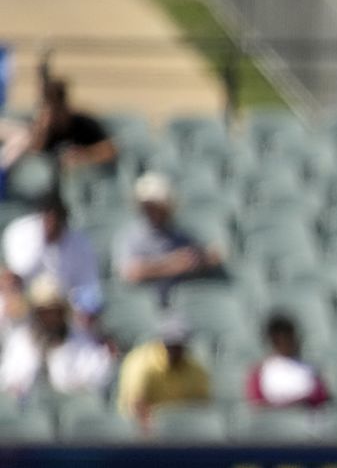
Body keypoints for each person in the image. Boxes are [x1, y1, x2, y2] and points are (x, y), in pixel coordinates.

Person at [112, 172, 227, 306]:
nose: (152, 211)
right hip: (146, 306)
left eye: (157, 206)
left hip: (181, 307)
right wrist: (172, 265)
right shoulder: (130, 237)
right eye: (148, 206)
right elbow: (131, 273)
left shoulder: (179, 235)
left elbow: (207, 256)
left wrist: (201, 259)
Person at [0, 275, 112, 402]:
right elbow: (8, 380)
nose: (50, 318)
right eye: (44, 312)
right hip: (29, 409)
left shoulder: (81, 339)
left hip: (70, 407)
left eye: (55, 311)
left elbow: (97, 375)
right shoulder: (21, 341)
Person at [1, 195, 101, 321]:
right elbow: (12, 277)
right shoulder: (21, 232)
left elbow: (88, 286)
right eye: (48, 217)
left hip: (63, 310)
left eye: (56, 218)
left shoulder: (80, 244)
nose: (52, 222)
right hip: (24, 304)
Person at [116, 316, 211, 432]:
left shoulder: (195, 369)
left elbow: (202, 404)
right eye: (170, 345)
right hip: (143, 432)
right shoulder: (142, 365)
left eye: (179, 345)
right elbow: (138, 406)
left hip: (182, 432)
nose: (174, 350)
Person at [26, 78, 117, 173]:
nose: (54, 115)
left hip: (85, 176)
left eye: (56, 109)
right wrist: (42, 128)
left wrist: (84, 155)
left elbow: (110, 151)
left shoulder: (83, 123)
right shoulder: (46, 129)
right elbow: (33, 155)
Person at [245, 312, 330, 409]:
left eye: (288, 338)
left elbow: (320, 400)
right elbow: (257, 407)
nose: (284, 343)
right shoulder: (259, 373)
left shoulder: (309, 370)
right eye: (278, 340)